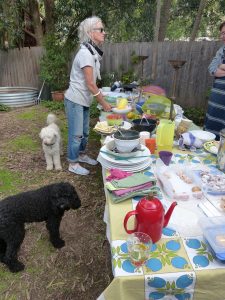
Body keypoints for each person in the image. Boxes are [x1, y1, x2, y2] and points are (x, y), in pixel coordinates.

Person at [64, 16, 111, 175]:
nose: (104, 33)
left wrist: (101, 94)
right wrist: (103, 102)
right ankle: (73, 163)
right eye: (101, 30)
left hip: (83, 100)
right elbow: (91, 84)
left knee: (84, 132)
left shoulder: (91, 52)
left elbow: (91, 84)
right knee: (76, 134)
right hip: (75, 100)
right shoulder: (85, 54)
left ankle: (82, 155)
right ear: (91, 33)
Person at [204, 21, 225, 140]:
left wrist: (221, 66)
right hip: (215, 103)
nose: (222, 37)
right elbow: (212, 68)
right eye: (221, 33)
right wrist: (220, 67)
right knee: (211, 139)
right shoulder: (222, 51)